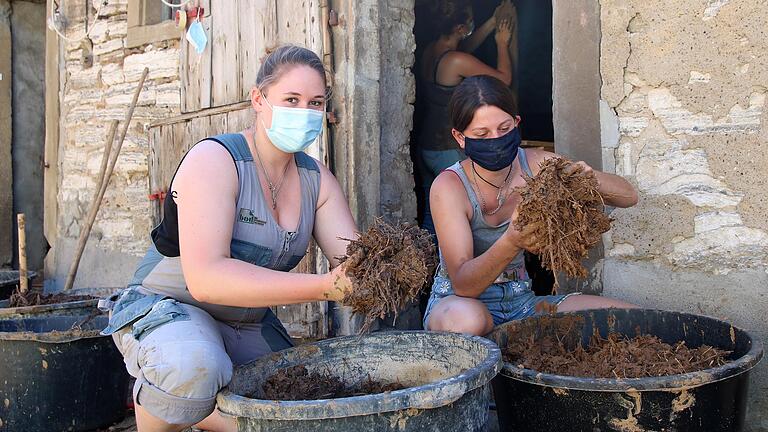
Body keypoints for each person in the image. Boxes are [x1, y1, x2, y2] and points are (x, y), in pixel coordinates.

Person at [99, 45, 356, 432]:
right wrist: (325, 287)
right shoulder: (216, 161)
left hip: (246, 324)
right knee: (194, 368)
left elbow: (355, 260)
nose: (305, 112)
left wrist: (389, 267)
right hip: (172, 307)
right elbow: (205, 280)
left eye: (315, 103)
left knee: (306, 399)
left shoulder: (316, 180)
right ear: (258, 99)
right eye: (291, 100)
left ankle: (210, 413)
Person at [423, 75, 639, 336]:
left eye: (504, 129)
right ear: (460, 137)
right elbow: (464, 285)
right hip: (458, 304)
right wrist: (511, 241)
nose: (495, 139)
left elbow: (628, 197)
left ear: (517, 123)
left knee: (628, 319)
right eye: (482, 134)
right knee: (468, 321)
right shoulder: (449, 186)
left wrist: (587, 179)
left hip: (520, 301)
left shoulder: (537, 166)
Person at [416, 0, 517, 239]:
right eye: (470, 21)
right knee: (461, 215)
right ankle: (458, 267)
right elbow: (504, 79)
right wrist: (502, 43)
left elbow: (465, 49)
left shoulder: (432, 50)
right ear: (461, 27)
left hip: (427, 145)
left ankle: (427, 267)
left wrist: (492, 23)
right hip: (448, 150)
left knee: (434, 215)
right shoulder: (456, 61)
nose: (473, 23)